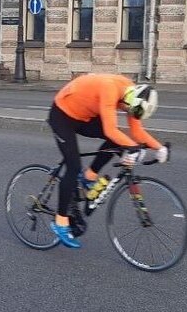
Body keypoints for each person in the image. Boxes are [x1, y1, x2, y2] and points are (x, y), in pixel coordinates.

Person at [47, 74, 168, 249]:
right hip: (62, 115)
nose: (127, 112)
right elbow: (110, 130)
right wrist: (133, 148)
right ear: (128, 100)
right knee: (73, 167)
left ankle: (88, 177)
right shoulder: (109, 88)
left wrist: (159, 148)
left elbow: (136, 132)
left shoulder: (134, 95)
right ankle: (60, 222)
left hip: (85, 115)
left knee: (118, 141)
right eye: (127, 109)